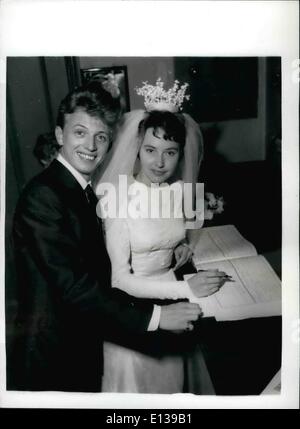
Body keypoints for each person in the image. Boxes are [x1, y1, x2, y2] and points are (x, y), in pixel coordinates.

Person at [7, 82, 203, 392]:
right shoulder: (43, 195)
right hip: (53, 354)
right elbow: (75, 287)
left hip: (83, 341)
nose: (92, 146)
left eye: (101, 136)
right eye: (80, 132)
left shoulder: (82, 190)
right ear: (60, 135)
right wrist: (155, 316)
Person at [94, 82, 227, 393]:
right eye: (150, 151)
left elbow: (178, 231)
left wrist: (181, 245)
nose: (159, 163)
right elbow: (119, 280)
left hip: (175, 299)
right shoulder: (116, 197)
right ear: (137, 148)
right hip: (134, 311)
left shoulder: (181, 190)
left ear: (181, 153)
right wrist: (185, 286)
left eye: (170, 152)